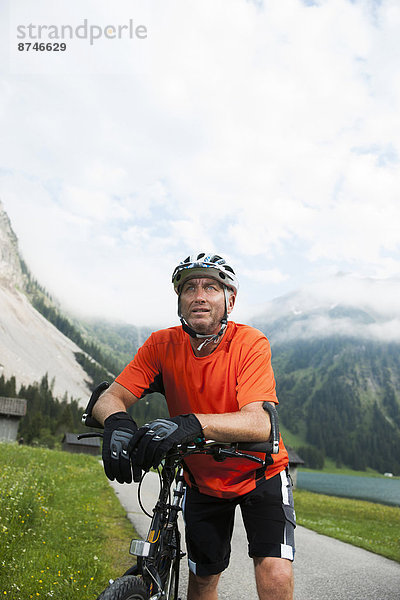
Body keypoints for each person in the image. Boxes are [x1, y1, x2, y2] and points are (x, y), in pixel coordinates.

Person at [92, 253, 295, 600]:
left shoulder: (249, 343)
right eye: (190, 288)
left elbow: (261, 423)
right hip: (203, 481)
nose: (199, 295)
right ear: (180, 300)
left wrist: (192, 423)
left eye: (211, 287)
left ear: (230, 299)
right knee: (202, 579)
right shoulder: (161, 345)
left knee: (274, 572)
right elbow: (110, 396)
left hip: (259, 472)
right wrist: (118, 422)